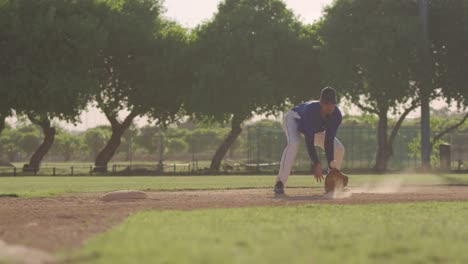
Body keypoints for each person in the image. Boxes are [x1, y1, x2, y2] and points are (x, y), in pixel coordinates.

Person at [274, 87, 345, 194]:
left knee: (339, 149)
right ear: (321, 102)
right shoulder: (311, 111)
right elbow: (309, 141)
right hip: (294, 119)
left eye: (332, 103)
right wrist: (316, 163)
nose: (329, 106)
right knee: (294, 143)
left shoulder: (337, 116)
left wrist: (331, 165)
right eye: (326, 103)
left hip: (315, 129)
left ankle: (333, 179)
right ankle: (280, 182)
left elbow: (328, 141)